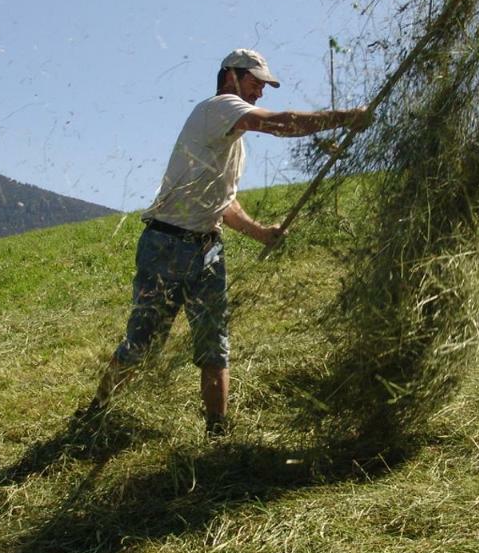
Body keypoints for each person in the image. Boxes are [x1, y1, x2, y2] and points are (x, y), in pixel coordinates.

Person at [73, 48, 370, 436]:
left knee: (215, 346)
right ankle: (95, 413)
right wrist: (341, 118)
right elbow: (279, 123)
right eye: (256, 83)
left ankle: (217, 433)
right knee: (143, 344)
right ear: (231, 76)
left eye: (264, 87)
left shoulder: (235, 140)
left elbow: (224, 202)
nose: (260, 93)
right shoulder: (217, 108)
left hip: (207, 249)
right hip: (167, 244)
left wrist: (260, 232)